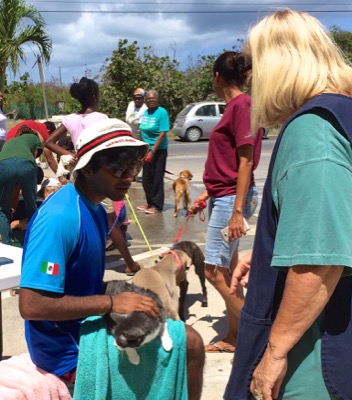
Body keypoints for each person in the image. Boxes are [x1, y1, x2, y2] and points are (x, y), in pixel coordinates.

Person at [19, 118, 204, 399]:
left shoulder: (93, 208)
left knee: (174, 329)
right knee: (191, 344)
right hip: (64, 347)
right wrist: (112, 303)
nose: (129, 177)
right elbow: (32, 305)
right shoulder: (59, 218)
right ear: (89, 166)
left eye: (134, 167)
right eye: (118, 168)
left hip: (84, 321)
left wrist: (128, 296)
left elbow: (80, 284)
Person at [224, 9, 352, 400]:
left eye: (251, 65)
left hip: (320, 351)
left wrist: (275, 354)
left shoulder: (312, 130)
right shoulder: (342, 111)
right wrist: (269, 254)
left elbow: (320, 258)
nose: (249, 78)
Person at [189, 51, 262, 354]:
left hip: (232, 200)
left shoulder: (242, 106)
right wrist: (208, 194)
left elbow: (245, 162)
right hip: (224, 196)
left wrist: (235, 213)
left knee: (213, 272)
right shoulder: (235, 107)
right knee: (228, 269)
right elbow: (230, 163)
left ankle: (252, 339)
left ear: (217, 77)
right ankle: (233, 337)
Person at [45, 76, 108, 159]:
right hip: (97, 166)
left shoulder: (70, 119)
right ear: (94, 97)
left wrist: (73, 156)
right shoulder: (102, 118)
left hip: (79, 166)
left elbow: (49, 142)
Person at [0, 127, 43, 244]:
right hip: (26, 166)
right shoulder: (34, 138)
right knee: (31, 207)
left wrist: (12, 206)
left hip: (3, 166)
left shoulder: (9, 142)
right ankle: (35, 241)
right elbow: (34, 156)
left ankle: (6, 244)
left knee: (2, 209)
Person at [137, 89, 170, 214]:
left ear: (157, 100)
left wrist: (153, 151)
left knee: (157, 178)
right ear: (146, 100)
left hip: (159, 150)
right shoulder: (145, 112)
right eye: (149, 99)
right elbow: (141, 131)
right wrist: (141, 148)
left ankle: (157, 205)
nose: (151, 101)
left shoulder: (162, 112)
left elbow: (162, 134)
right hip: (146, 149)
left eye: (153, 99)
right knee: (146, 179)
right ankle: (149, 202)